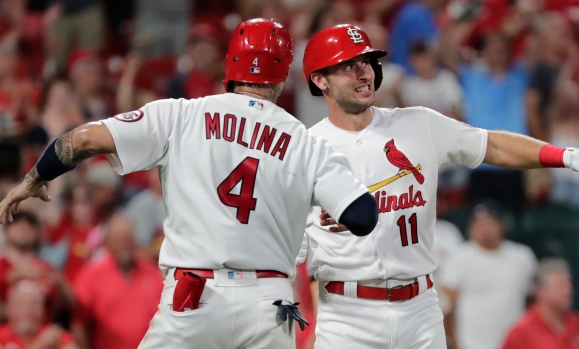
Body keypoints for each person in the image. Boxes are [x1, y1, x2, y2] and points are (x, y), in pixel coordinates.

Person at [0, 18, 378, 349]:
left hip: (195, 297)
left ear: (230, 61)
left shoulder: (182, 114)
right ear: (283, 73)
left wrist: (36, 177)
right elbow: (363, 215)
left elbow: (82, 140)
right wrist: (337, 215)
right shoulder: (306, 142)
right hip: (269, 305)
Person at [301, 24, 579, 349]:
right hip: (346, 313)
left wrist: (562, 155)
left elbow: (490, 145)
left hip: (419, 308)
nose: (362, 72)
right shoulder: (305, 148)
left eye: (366, 62)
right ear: (320, 80)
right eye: (348, 66)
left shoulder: (417, 123)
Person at [441, 203, 538, 349]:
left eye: (490, 223)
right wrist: (454, 343)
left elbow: (533, 302)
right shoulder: (460, 256)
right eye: (479, 224)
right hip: (471, 343)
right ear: (470, 229)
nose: (485, 229)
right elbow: (448, 307)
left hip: (514, 342)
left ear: (501, 225)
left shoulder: (522, 256)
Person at [72, 212, 162, 349]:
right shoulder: (92, 273)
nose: (123, 244)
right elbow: (79, 320)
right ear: (107, 242)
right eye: (118, 239)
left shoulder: (153, 273)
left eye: (127, 238)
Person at [502, 258, 579, 349]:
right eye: (560, 285)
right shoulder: (521, 332)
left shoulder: (576, 322)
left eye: (569, 284)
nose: (568, 291)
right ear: (540, 290)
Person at [0, 280, 77, 349]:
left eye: (33, 305)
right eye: (20, 305)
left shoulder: (55, 336)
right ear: (8, 309)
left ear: (42, 310)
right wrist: (39, 344)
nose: (27, 311)